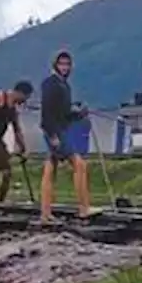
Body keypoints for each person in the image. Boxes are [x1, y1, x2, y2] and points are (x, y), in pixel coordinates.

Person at [39, 50, 92, 222]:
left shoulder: (65, 86)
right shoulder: (50, 84)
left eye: (67, 64)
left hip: (61, 130)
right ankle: (83, 208)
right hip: (54, 131)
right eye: (62, 64)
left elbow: (64, 114)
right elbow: (46, 112)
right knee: (79, 164)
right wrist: (53, 135)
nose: (65, 67)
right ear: (55, 65)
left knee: (50, 170)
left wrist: (79, 114)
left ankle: (45, 213)